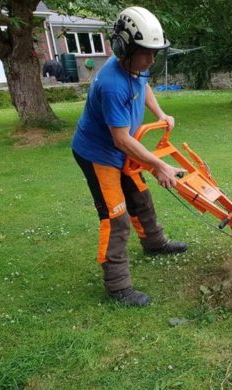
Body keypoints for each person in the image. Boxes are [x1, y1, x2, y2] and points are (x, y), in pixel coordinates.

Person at [71, 7, 187, 307]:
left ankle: (154, 243)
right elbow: (120, 139)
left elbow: (143, 84)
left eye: (154, 52)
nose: (151, 60)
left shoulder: (134, 69)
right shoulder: (111, 83)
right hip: (98, 155)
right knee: (116, 217)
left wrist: (160, 113)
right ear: (124, 48)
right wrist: (158, 165)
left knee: (141, 197)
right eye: (145, 53)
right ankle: (118, 287)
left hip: (121, 150)